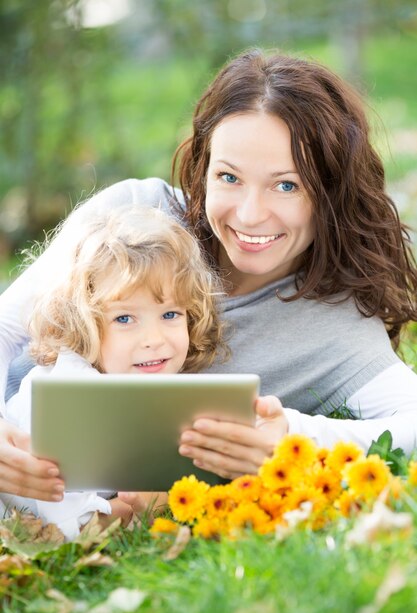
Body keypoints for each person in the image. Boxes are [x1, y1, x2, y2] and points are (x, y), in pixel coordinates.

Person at [0, 48, 417, 498]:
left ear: (331, 191)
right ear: (203, 168)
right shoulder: (135, 216)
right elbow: (7, 326)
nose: (250, 214)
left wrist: (293, 440)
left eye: (286, 185)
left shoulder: (335, 326)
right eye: (229, 178)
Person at [0, 204, 225, 538]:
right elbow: (58, 515)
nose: (154, 340)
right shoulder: (65, 395)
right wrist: (129, 512)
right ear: (82, 323)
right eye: (124, 319)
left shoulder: (152, 387)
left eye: (170, 315)